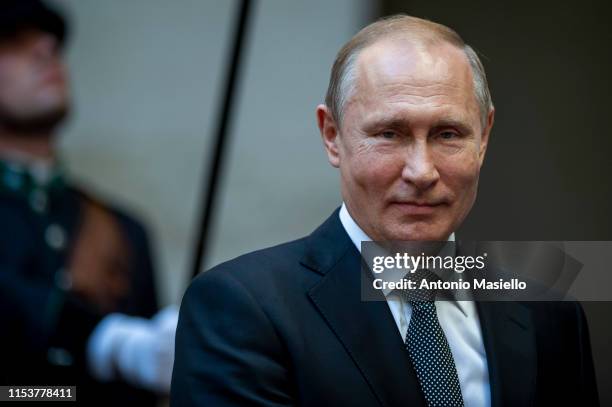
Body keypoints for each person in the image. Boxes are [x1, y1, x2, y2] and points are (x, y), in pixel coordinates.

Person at [171, 15, 599, 407]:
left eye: (448, 134)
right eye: (389, 134)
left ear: (484, 137)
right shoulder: (245, 309)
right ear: (332, 136)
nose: (421, 171)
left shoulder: (548, 314)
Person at [0, 1, 177, 404]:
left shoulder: (124, 229)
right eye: (12, 41)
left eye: (50, 43)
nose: (47, 49)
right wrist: (105, 341)